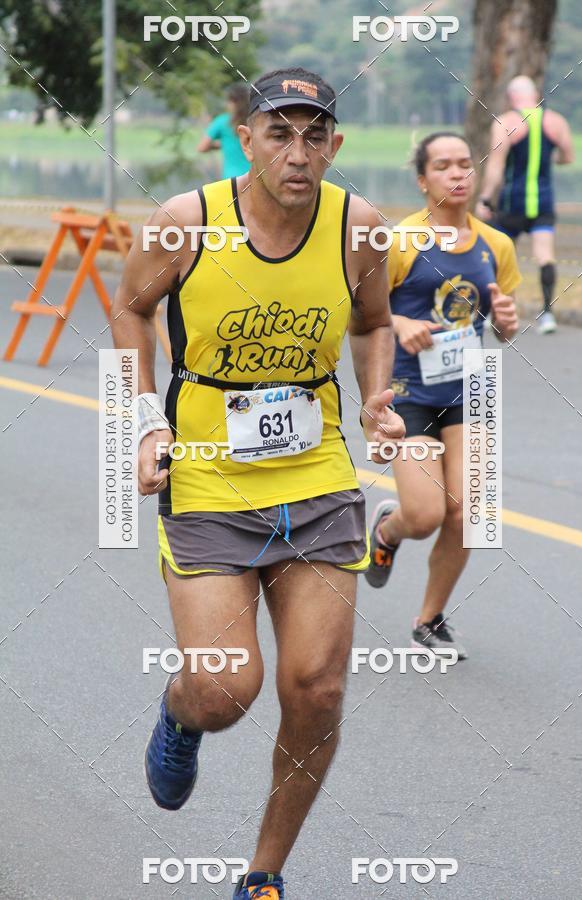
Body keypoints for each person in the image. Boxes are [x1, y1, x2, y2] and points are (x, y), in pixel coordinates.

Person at [111, 67, 405, 900]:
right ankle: (181, 713)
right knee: (223, 688)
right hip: (207, 477)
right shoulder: (187, 222)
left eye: (315, 135)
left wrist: (377, 397)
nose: (298, 153)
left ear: (336, 145)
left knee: (317, 689)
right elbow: (129, 309)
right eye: (279, 133)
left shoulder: (360, 229)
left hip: (318, 479)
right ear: (247, 139)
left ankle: (264, 874)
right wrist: (144, 423)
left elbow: (374, 322)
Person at [365, 132, 521, 660]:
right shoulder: (401, 241)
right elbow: (363, 313)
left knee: (471, 515)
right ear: (422, 180)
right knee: (426, 514)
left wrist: (507, 323)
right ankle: (389, 530)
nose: (457, 174)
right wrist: (401, 322)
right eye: (443, 166)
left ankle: (429, 620)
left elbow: (503, 325)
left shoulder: (496, 245)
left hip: (472, 388)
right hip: (408, 389)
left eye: (464, 164)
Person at [475, 75, 574, 335]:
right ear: (536, 95)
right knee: (545, 255)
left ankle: (491, 312)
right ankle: (548, 315)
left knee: (499, 255)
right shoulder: (556, 121)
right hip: (543, 202)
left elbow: (496, 167)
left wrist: (485, 199)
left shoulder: (506, 122)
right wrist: (550, 159)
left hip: (512, 203)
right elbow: (567, 157)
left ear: (511, 98)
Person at [198, 83, 251, 178]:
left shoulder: (222, 121)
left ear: (232, 103)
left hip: (231, 179)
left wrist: (223, 144)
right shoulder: (253, 121)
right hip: (253, 176)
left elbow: (202, 147)